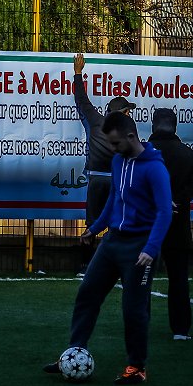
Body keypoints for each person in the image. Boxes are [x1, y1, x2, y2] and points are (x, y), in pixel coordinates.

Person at [43, 112, 172, 385]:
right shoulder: (117, 161)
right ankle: (74, 351)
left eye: (115, 144)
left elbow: (164, 212)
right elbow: (115, 198)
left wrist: (151, 248)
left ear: (130, 136)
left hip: (140, 248)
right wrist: (95, 228)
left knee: (133, 309)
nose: (112, 149)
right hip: (112, 241)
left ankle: (137, 367)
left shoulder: (155, 168)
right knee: (87, 294)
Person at [72, 52, 136, 276]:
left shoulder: (96, 120)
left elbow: (81, 99)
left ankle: (84, 266)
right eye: (127, 110)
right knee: (116, 223)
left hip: (96, 180)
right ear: (121, 112)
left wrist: (78, 73)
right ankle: (113, 266)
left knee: (92, 222)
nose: (130, 114)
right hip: (116, 181)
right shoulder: (128, 129)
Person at [147, 108, 193, 341]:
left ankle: (138, 324)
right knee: (178, 278)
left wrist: (158, 201)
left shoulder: (143, 153)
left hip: (146, 222)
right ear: (176, 126)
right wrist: (175, 201)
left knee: (141, 278)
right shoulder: (188, 154)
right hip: (178, 222)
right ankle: (180, 329)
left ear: (153, 126)